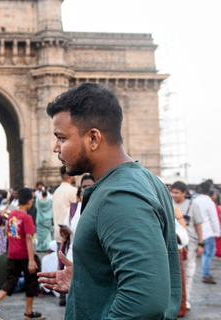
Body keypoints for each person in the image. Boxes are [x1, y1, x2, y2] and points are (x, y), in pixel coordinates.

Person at [38, 82, 181, 319]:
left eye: (61, 138)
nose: (55, 148)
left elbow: (145, 301)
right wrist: (88, 281)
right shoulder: (144, 180)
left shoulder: (119, 196)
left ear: (93, 138)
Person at [0, 187, 44, 320]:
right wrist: (32, 260)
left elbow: (8, 233)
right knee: (32, 281)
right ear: (29, 202)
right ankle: (28, 312)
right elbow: (29, 238)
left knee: (10, 281)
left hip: (12, 253)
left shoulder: (12, 214)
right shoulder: (27, 217)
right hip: (25, 254)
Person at [171, 180, 203, 309]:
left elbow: (198, 225)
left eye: (177, 192)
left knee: (189, 272)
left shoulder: (192, 205)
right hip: (176, 246)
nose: (174, 195)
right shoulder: (169, 204)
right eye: (172, 192)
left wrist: (201, 243)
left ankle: (186, 299)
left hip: (191, 244)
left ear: (184, 193)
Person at [194, 181, 220, 284]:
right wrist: (217, 232)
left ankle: (205, 273)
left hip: (198, 233)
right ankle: (205, 274)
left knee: (205, 254)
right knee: (208, 254)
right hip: (208, 232)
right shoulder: (209, 202)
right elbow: (213, 219)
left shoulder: (195, 200)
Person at [51, 166, 76, 245]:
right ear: (70, 176)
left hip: (58, 235)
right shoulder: (73, 191)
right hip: (69, 236)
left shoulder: (56, 192)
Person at [35, 187, 52, 251]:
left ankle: (40, 247)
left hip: (39, 219)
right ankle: (47, 246)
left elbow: (36, 207)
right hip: (47, 219)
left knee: (40, 234)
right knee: (47, 234)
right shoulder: (49, 201)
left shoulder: (38, 201)